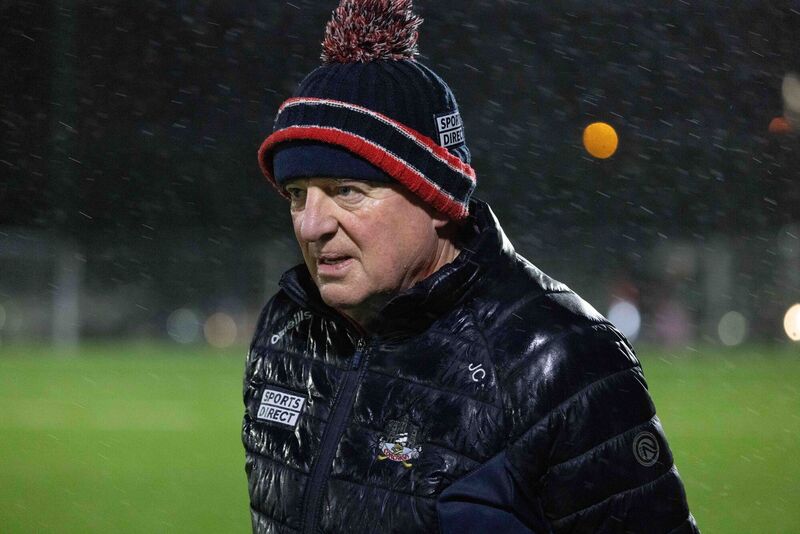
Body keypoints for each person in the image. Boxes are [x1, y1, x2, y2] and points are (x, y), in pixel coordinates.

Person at [242, 1, 699, 532]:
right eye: (297, 194)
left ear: (437, 198)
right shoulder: (286, 328)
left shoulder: (562, 361)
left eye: (347, 190)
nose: (311, 224)